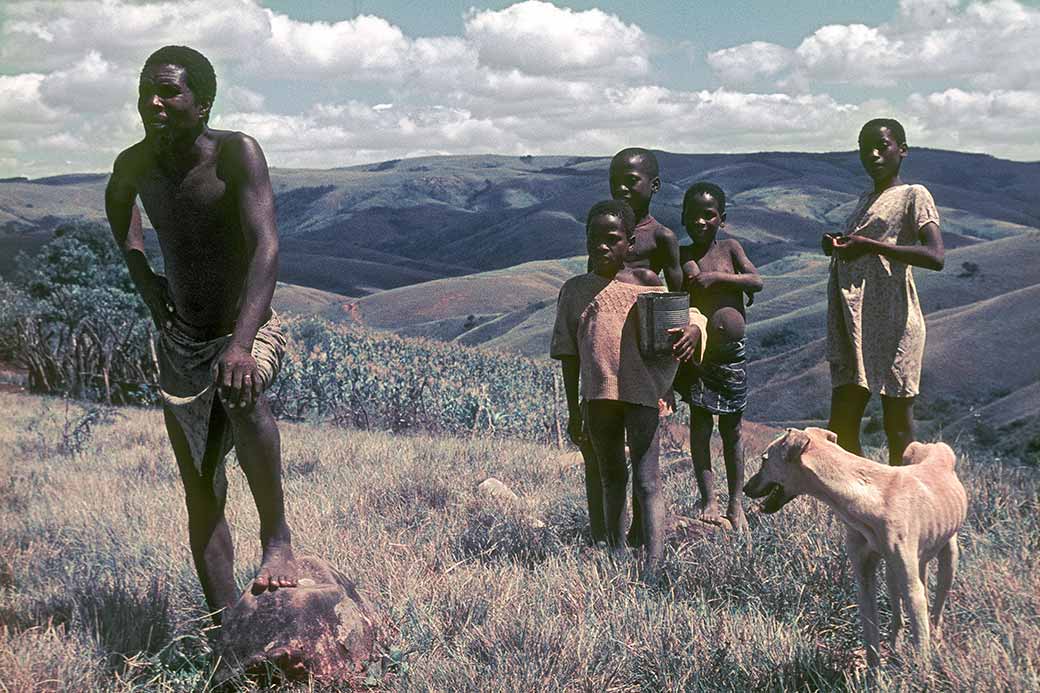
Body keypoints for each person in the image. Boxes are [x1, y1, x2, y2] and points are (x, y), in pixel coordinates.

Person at [105, 45, 296, 622]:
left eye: (168, 92)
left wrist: (241, 343)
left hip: (247, 326)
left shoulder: (236, 153)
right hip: (182, 342)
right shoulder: (134, 163)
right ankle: (223, 626)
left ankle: (278, 537)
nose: (154, 103)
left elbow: (266, 244)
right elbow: (120, 213)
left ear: (203, 101)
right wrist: (143, 276)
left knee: (243, 395)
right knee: (200, 480)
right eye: (147, 92)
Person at [552, 200, 705, 574]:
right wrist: (575, 410)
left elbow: (683, 318)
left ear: (630, 243)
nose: (603, 246)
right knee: (611, 476)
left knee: (647, 478)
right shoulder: (574, 291)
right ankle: (616, 557)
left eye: (612, 239)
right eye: (595, 238)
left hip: (641, 396)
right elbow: (569, 357)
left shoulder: (648, 285)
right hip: (598, 398)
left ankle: (654, 567)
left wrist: (695, 329)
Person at [823, 118, 944, 465]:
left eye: (882, 146)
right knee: (842, 424)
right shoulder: (867, 198)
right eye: (865, 148)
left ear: (902, 150)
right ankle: (859, 500)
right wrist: (837, 244)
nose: (872, 154)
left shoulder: (914, 195)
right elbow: (864, 247)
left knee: (898, 427)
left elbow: (936, 255)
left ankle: (904, 506)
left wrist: (871, 246)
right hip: (856, 323)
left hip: (893, 320)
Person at [677, 182, 762, 532]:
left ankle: (735, 502)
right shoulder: (682, 258)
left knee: (732, 429)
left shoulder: (730, 248)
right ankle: (708, 499)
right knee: (700, 425)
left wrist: (717, 278)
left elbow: (755, 281)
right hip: (698, 357)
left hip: (731, 356)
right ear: (684, 218)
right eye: (693, 216)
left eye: (708, 215)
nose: (700, 222)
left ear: (722, 219)